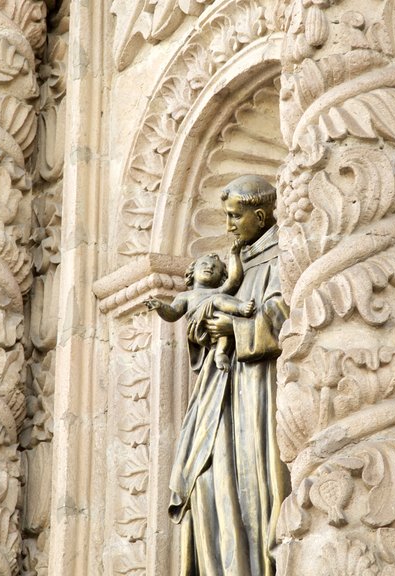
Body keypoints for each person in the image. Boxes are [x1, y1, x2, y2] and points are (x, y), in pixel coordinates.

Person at [168, 175, 290, 576]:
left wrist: (234, 331)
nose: (229, 225)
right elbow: (200, 312)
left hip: (257, 390)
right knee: (206, 486)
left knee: (257, 481)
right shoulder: (238, 264)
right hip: (221, 393)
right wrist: (206, 326)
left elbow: (283, 315)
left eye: (235, 216)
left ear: (260, 214)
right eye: (225, 216)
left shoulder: (281, 256)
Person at [145, 244, 255, 370]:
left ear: (221, 277)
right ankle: (240, 308)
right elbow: (173, 313)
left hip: (215, 321)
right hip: (198, 324)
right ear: (192, 271)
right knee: (217, 299)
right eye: (204, 264)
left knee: (223, 320)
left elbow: (234, 280)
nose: (210, 267)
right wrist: (161, 307)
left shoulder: (219, 290)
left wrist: (234, 254)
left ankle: (220, 353)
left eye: (215, 267)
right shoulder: (185, 296)